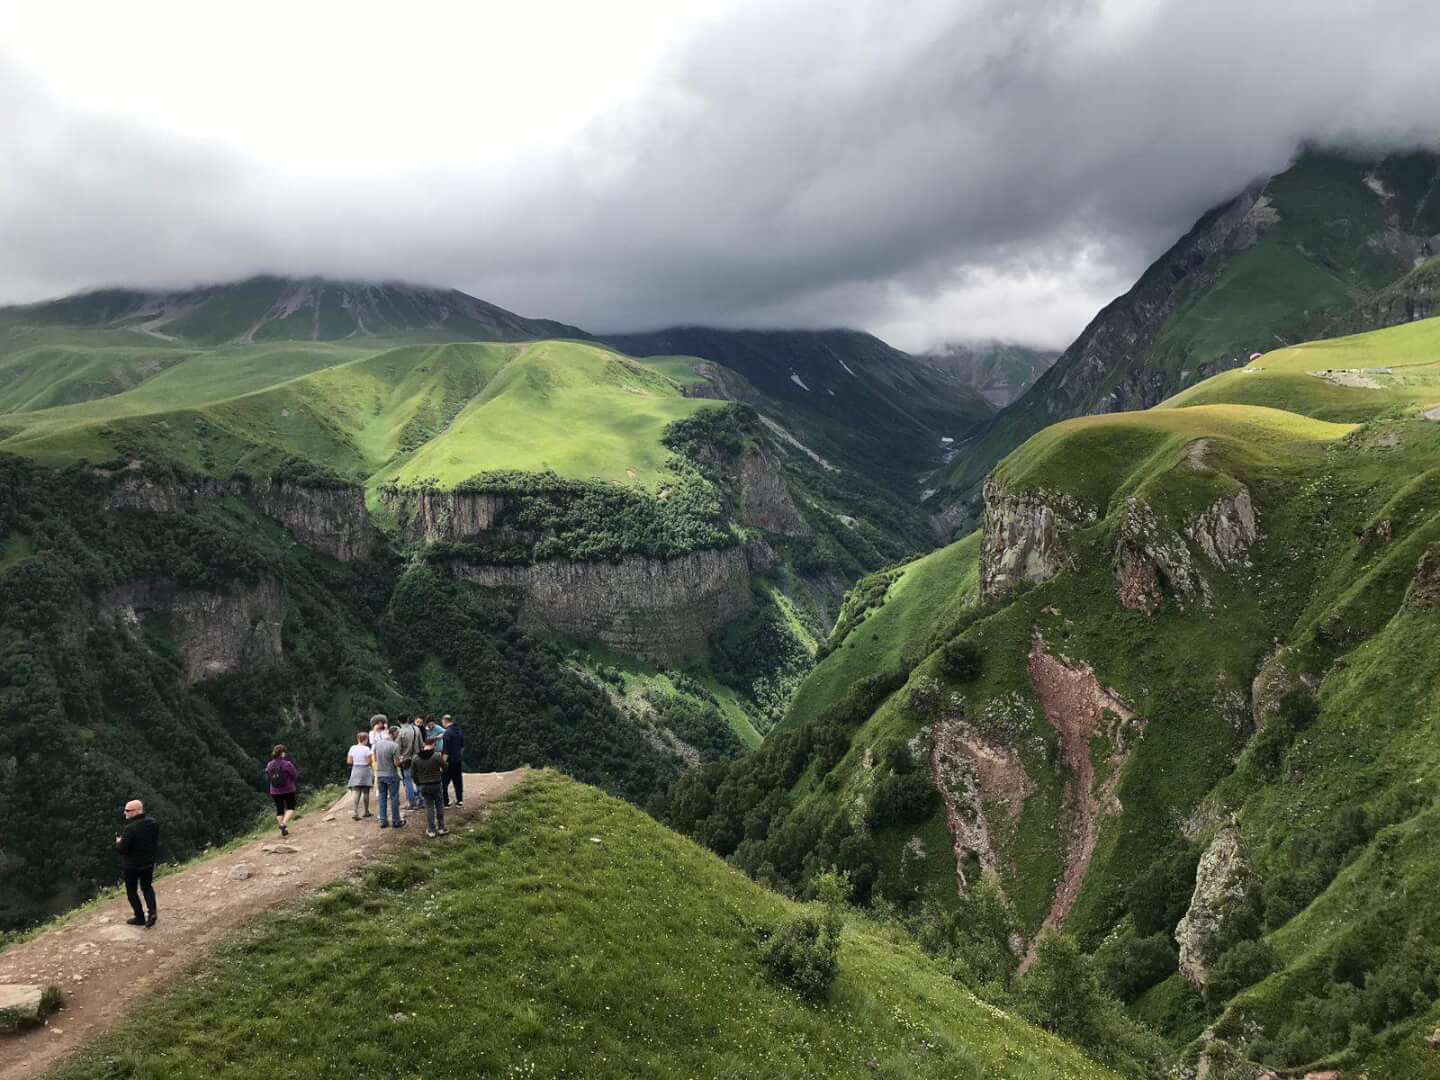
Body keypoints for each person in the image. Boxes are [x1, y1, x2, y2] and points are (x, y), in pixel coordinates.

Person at [116, 799, 160, 928]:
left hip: (132, 865)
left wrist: (119, 842)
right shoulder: (153, 822)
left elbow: (122, 850)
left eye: (127, 810)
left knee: (132, 891)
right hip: (148, 862)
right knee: (147, 887)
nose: (125, 813)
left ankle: (140, 917)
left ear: (136, 811)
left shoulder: (130, 829)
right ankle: (152, 912)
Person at [410, 731, 448, 838]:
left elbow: (413, 774)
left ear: (424, 744)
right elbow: (445, 767)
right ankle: (441, 828)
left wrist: (418, 783)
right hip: (436, 783)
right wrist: (440, 772)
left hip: (424, 785)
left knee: (429, 807)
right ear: (434, 744)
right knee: (439, 805)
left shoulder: (416, 758)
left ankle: (431, 830)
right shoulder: (436, 756)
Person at [372, 726, 406, 830]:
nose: (398, 735)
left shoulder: (377, 744)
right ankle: (396, 821)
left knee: (382, 797)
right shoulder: (394, 746)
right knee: (394, 798)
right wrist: (401, 761)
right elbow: (396, 763)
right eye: (398, 734)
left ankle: (383, 820)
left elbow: (375, 758)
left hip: (380, 774)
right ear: (394, 733)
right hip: (391, 775)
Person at [265, 745, 299, 837]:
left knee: (279, 810)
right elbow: (295, 774)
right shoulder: (287, 764)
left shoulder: (269, 765)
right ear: (282, 753)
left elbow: (268, 776)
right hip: (288, 790)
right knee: (290, 808)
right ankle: (283, 824)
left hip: (275, 791)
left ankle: (283, 828)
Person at [394, 713, 422, 810]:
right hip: (418, 757)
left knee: (408, 780)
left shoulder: (400, 732)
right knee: (418, 779)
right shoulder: (416, 729)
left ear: (398, 721)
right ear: (408, 719)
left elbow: (397, 749)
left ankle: (412, 802)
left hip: (406, 759)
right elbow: (421, 744)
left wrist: (398, 760)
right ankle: (421, 800)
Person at [347, 732, 374, 820]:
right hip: (365, 769)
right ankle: (366, 811)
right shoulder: (367, 749)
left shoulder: (352, 748)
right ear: (365, 739)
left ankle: (355, 812)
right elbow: (369, 761)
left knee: (356, 791)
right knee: (366, 792)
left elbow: (349, 761)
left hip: (355, 769)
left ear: (358, 739)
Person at [440, 714, 465, 807]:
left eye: (442, 722)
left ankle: (446, 802)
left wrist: (442, 764)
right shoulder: (459, 730)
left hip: (449, 762)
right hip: (457, 760)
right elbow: (462, 747)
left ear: (445, 721)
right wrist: (459, 757)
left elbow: (446, 751)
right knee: (458, 781)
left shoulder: (447, 733)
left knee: (444, 782)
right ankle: (460, 800)